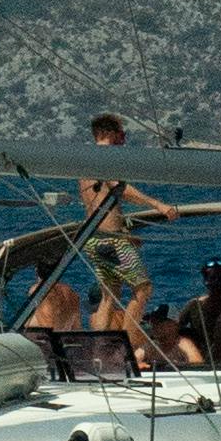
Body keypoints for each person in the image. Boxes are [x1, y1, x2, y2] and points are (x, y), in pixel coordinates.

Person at [78, 112, 179, 373]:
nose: (124, 139)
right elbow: (120, 188)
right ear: (109, 132)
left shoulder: (83, 159)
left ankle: (101, 354)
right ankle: (128, 353)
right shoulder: (104, 157)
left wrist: (123, 232)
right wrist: (158, 204)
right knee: (143, 289)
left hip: (94, 238)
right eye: (122, 134)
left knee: (109, 297)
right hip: (111, 240)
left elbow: (103, 203)